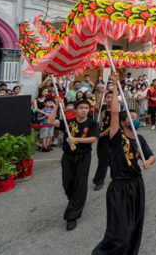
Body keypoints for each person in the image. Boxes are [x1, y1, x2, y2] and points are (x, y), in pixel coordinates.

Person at [93, 74, 155, 255]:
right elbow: (113, 113)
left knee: (135, 226)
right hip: (119, 188)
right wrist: (114, 84)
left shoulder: (139, 138)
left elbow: (152, 156)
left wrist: (148, 162)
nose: (134, 120)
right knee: (120, 231)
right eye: (130, 117)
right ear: (122, 122)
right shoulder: (116, 137)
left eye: (135, 117)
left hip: (136, 185)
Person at [46, 97, 99, 231]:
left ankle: (72, 216)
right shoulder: (68, 122)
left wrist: (75, 139)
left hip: (83, 156)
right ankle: (74, 200)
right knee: (67, 183)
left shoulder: (92, 123)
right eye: (81, 108)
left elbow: (93, 139)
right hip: (68, 156)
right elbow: (50, 121)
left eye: (86, 108)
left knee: (80, 184)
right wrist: (57, 106)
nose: (84, 111)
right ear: (75, 110)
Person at [93, 91, 113, 191]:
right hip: (101, 137)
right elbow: (96, 105)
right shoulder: (104, 108)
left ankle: (99, 181)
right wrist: (101, 97)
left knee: (103, 160)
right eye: (107, 97)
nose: (109, 99)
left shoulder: (114, 111)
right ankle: (118, 172)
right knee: (104, 158)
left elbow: (111, 127)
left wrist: (100, 135)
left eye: (111, 97)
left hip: (109, 138)